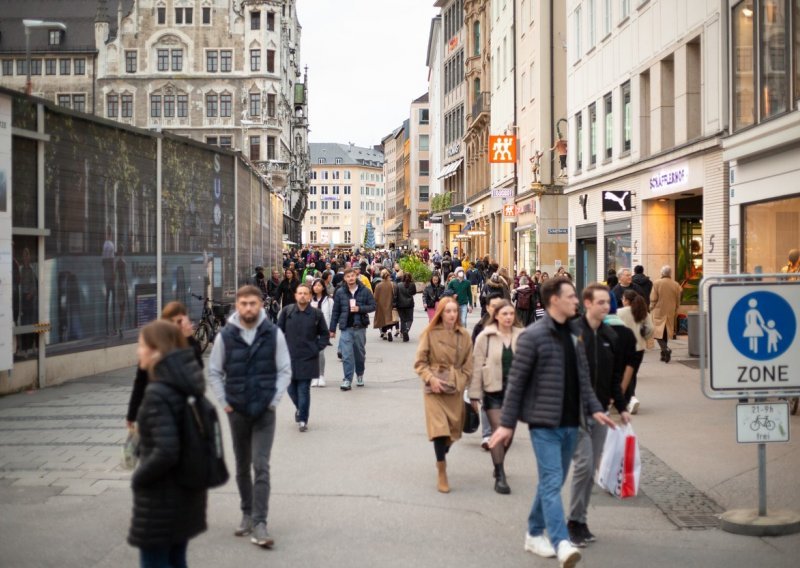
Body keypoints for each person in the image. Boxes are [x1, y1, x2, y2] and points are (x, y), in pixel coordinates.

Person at [489, 277, 616, 567]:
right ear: (554, 300)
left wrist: (595, 408)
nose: (576, 301)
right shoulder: (533, 336)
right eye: (571, 296)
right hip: (544, 424)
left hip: (572, 423)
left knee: (554, 481)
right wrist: (506, 425)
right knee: (550, 481)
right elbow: (517, 383)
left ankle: (534, 532)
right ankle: (560, 542)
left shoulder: (575, 333)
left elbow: (583, 378)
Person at [207, 285, 292, 548]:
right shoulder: (226, 336)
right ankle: (246, 512)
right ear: (237, 306)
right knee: (243, 465)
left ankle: (260, 521)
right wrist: (225, 402)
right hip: (237, 410)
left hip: (265, 411)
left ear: (260, 306)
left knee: (261, 465)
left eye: (252, 303)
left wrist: (274, 400)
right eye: (243, 303)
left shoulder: (273, 333)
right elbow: (214, 372)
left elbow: (285, 370)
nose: (248, 308)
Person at [128, 320, 207, 568]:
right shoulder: (185, 384)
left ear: (156, 350)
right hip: (185, 495)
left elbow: (166, 451)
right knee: (176, 559)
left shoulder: (159, 393)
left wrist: (139, 477)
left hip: (162, 500)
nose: (138, 351)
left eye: (141, 345)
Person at [567, 284, 631, 548]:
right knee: (583, 464)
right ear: (587, 303)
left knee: (591, 468)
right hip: (575, 411)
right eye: (601, 302)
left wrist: (623, 407)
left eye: (609, 302)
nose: (606, 307)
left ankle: (581, 520)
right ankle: (572, 522)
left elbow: (615, 376)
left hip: (602, 410)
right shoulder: (573, 333)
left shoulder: (609, 335)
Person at [414, 297, 474, 493]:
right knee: (439, 430)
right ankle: (442, 469)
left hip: (454, 387)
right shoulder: (430, 334)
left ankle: (443, 452)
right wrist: (430, 379)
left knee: (453, 431)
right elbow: (420, 362)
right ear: (441, 312)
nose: (452, 314)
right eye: (447, 311)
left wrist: (462, 382)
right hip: (434, 389)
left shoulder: (464, 335)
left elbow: (468, 365)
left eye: (454, 311)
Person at [470, 300, 524, 495]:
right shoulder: (486, 336)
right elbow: (476, 366)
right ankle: (500, 474)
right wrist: (474, 395)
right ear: (497, 316)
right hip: (492, 389)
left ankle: (498, 462)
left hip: (515, 391)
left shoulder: (522, 335)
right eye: (505, 314)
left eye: (511, 314)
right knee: (498, 431)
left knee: (508, 435)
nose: (508, 317)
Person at [127, 302, 204, 431]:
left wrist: (189, 338)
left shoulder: (187, 346)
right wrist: (132, 414)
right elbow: (140, 383)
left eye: (179, 321)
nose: (175, 326)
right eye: (171, 321)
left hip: (183, 413)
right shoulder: (153, 347)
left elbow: (198, 370)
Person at [278, 284, 330, 432]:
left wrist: (316, 348)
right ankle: (299, 408)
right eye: (299, 293)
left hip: (308, 357)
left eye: (305, 293)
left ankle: (303, 419)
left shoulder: (316, 314)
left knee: (303, 389)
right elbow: (277, 332)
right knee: (290, 388)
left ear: (309, 296)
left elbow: (324, 335)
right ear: (295, 296)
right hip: (288, 356)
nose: (302, 296)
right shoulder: (287, 312)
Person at [330, 268, 377, 390]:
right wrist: (332, 329)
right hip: (346, 328)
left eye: (352, 276)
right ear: (344, 279)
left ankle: (360, 374)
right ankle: (347, 379)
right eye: (348, 276)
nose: (350, 278)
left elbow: (373, 306)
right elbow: (335, 312)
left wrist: (360, 308)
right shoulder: (340, 292)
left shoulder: (365, 291)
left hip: (360, 327)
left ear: (356, 276)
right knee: (346, 355)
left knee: (359, 354)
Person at [618, 289, 654, 415]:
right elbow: (650, 329)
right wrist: (643, 338)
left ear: (627, 300)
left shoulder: (620, 313)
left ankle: (630, 398)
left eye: (623, 299)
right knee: (632, 374)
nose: (622, 301)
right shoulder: (643, 312)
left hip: (622, 348)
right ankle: (630, 398)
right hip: (639, 348)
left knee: (624, 373)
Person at [649, 265, 682, 363]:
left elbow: (653, 298)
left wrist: (650, 307)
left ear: (662, 273)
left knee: (657, 333)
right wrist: (676, 309)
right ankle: (663, 355)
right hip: (670, 311)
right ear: (670, 273)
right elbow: (678, 299)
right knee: (665, 333)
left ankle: (666, 349)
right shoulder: (676, 284)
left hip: (659, 311)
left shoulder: (657, 283)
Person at [310, 278, 334, 387]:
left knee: (320, 353)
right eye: (315, 285)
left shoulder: (329, 300)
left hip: (323, 330)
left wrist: (331, 330)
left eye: (319, 285)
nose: (317, 287)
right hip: (310, 330)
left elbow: (332, 315)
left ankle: (321, 375)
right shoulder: (309, 300)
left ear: (323, 287)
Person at [373, 269, 397, 342]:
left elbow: (375, 297)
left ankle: (385, 333)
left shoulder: (378, 285)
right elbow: (396, 294)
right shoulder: (393, 284)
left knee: (383, 319)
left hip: (381, 305)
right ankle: (389, 330)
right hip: (390, 303)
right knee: (390, 319)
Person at [394, 273, 418, 342]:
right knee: (410, 319)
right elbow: (414, 293)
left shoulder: (398, 285)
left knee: (403, 319)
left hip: (400, 304)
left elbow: (396, 295)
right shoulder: (412, 285)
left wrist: (394, 304)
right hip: (409, 304)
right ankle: (407, 330)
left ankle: (403, 331)